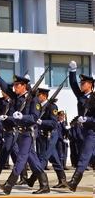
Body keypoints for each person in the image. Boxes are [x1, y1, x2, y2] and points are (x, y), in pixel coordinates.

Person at [0, 63, 50, 195]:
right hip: (19, 134)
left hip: (28, 134)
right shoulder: (17, 97)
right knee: (33, 161)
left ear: (23, 86)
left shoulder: (33, 100)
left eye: (17, 85)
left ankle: (9, 185)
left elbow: (34, 117)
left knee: (21, 159)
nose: (14, 87)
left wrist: (23, 116)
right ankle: (45, 185)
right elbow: (4, 86)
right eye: (14, 85)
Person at [26, 88, 67, 189]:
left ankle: (33, 179)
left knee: (43, 158)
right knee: (54, 158)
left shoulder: (52, 106)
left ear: (44, 96)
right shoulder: (39, 106)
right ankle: (63, 180)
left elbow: (54, 123)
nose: (37, 97)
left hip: (51, 135)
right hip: (43, 135)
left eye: (38, 95)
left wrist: (42, 122)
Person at [67, 61, 95, 191]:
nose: (81, 85)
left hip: (92, 131)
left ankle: (73, 182)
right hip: (83, 131)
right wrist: (72, 71)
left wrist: (87, 119)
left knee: (84, 156)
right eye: (81, 83)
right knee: (91, 157)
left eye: (83, 83)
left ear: (90, 85)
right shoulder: (81, 96)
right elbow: (73, 85)